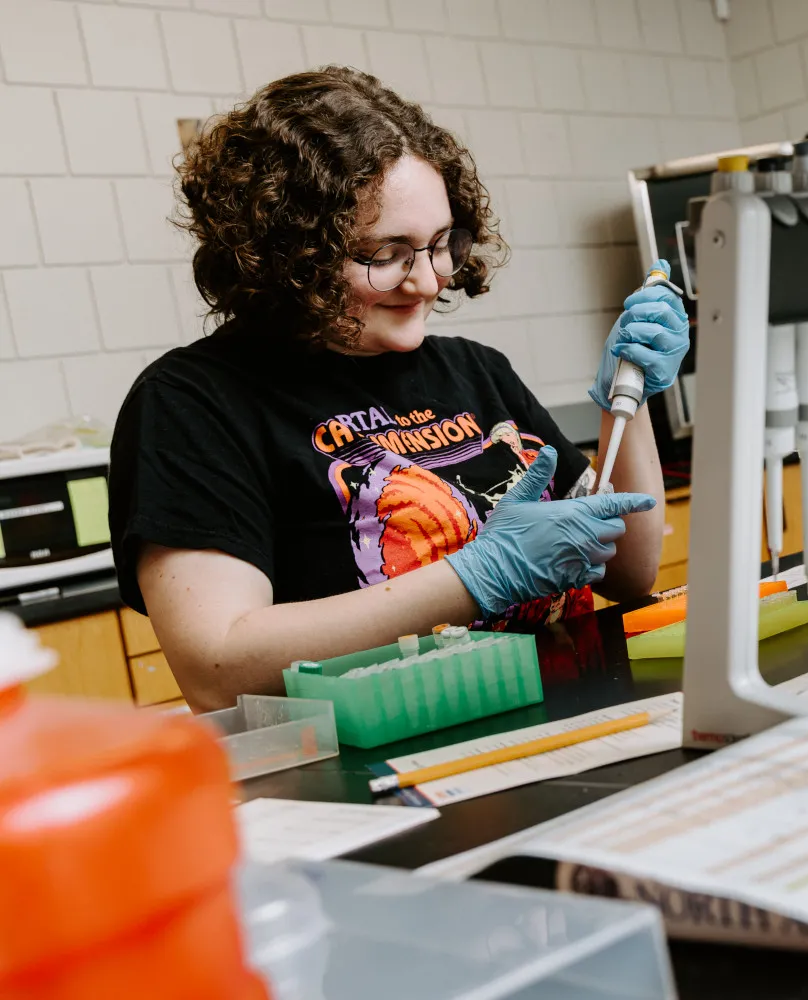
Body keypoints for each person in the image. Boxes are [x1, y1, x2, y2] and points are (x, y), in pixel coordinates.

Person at [107, 67, 689, 711]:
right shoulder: (194, 402)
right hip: (385, 757)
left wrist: (627, 403)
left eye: (440, 244)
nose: (429, 280)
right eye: (386, 254)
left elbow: (629, 573)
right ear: (291, 254)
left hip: (567, 722)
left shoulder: (477, 370)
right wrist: (476, 577)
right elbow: (218, 670)